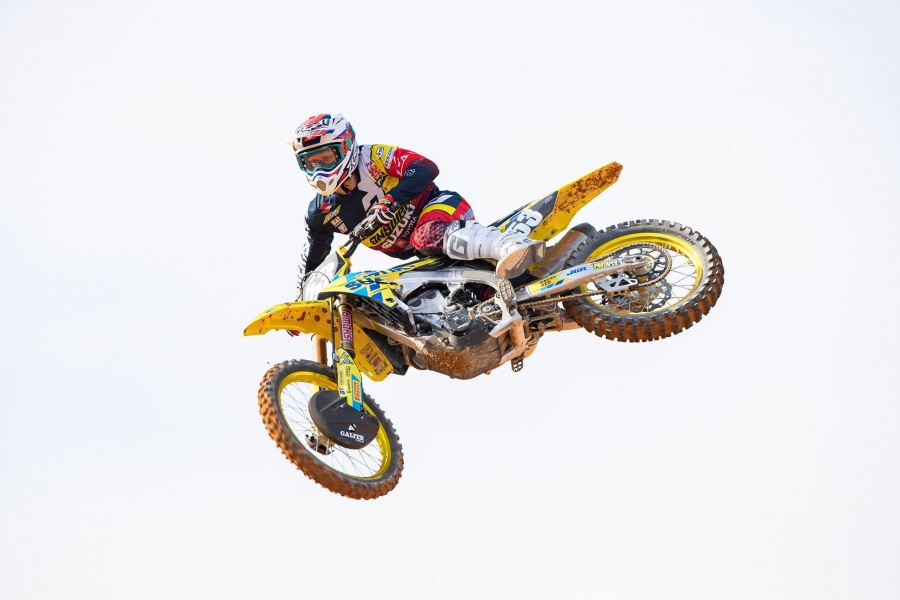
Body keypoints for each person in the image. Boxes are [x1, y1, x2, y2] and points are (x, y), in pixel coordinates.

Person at [291, 113, 545, 298]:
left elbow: (425, 167)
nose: (319, 169)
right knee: (432, 296)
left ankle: (510, 244)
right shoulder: (319, 213)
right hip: (421, 255)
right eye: (311, 163)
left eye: (326, 158)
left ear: (346, 147)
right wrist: (303, 298)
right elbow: (314, 261)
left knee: (424, 235)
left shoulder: (373, 157)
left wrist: (390, 200)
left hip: (440, 208)